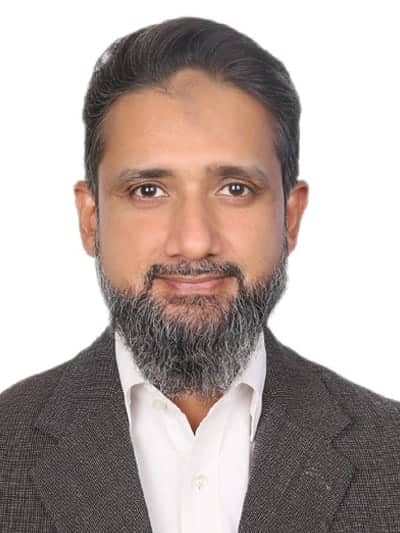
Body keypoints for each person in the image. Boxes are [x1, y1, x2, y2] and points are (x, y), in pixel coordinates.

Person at [0, 15, 399, 533]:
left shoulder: (389, 455)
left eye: (235, 189)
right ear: (90, 219)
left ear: (291, 216)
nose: (193, 240)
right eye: (148, 190)